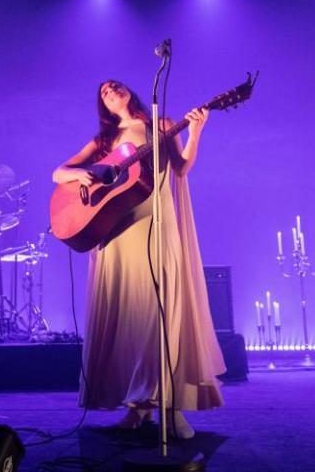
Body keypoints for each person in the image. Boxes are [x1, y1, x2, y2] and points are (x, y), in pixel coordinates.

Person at [52, 79, 226, 439]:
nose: (110, 89)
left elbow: (180, 169)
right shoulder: (103, 141)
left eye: (114, 85)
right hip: (116, 230)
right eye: (102, 91)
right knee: (128, 317)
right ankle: (137, 407)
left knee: (162, 313)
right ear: (103, 105)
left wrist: (196, 132)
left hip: (155, 222)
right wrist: (79, 174)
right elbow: (58, 173)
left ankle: (171, 406)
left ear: (128, 91)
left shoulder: (161, 125)